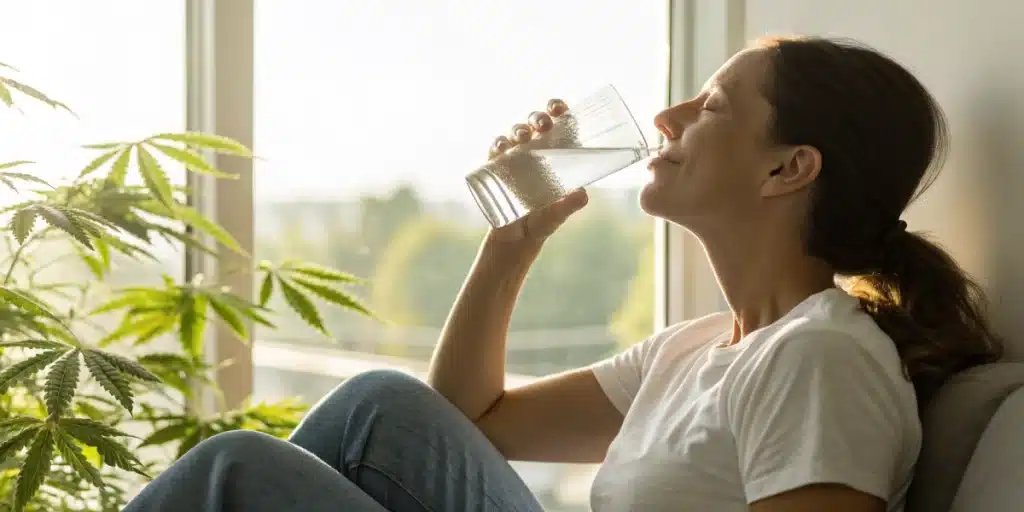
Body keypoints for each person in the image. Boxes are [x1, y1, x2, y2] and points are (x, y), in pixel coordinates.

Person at [123, 35, 1003, 512]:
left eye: (713, 107)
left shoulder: (820, 358)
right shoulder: (697, 349)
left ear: (788, 170)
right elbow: (469, 422)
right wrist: (515, 238)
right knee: (379, 404)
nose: (666, 115)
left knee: (239, 471)